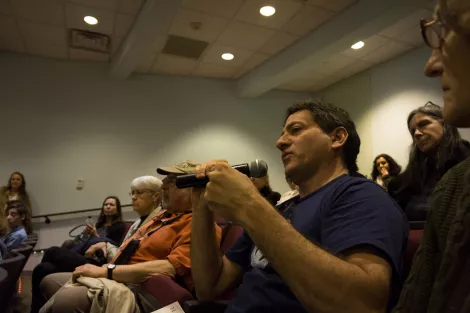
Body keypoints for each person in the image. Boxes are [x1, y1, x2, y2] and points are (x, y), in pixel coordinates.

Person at [191, 101, 408, 313]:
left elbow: (362, 304)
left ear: (337, 138)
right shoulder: (281, 209)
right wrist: (201, 206)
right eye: (282, 133)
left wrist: (248, 204)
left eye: (295, 130)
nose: (280, 142)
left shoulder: (360, 195)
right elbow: (209, 286)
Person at [38, 162, 221, 313]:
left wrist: (106, 271)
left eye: (173, 182)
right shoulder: (162, 217)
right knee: (48, 280)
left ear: (193, 191)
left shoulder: (200, 227)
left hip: (140, 288)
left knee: (66, 299)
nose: (164, 185)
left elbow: (170, 267)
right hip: (118, 276)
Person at [393, 1, 470, 312]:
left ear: (443, 124)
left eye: (449, 31)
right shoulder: (451, 184)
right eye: (413, 130)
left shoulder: (459, 169)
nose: (431, 67)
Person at [30, 177, 162, 313]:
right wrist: (88, 235)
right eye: (132, 193)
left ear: (155, 196)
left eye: (139, 193)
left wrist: (101, 241)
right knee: (43, 268)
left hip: (101, 262)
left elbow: (119, 253)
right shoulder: (131, 223)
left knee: (52, 251)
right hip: (91, 256)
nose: (133, 197)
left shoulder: (121, 226)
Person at [387, 102, 469, 222]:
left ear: (445, 124)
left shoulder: (466, 163)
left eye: (424, 124)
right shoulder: (408, 179)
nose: (416, 134)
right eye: (412, 131)